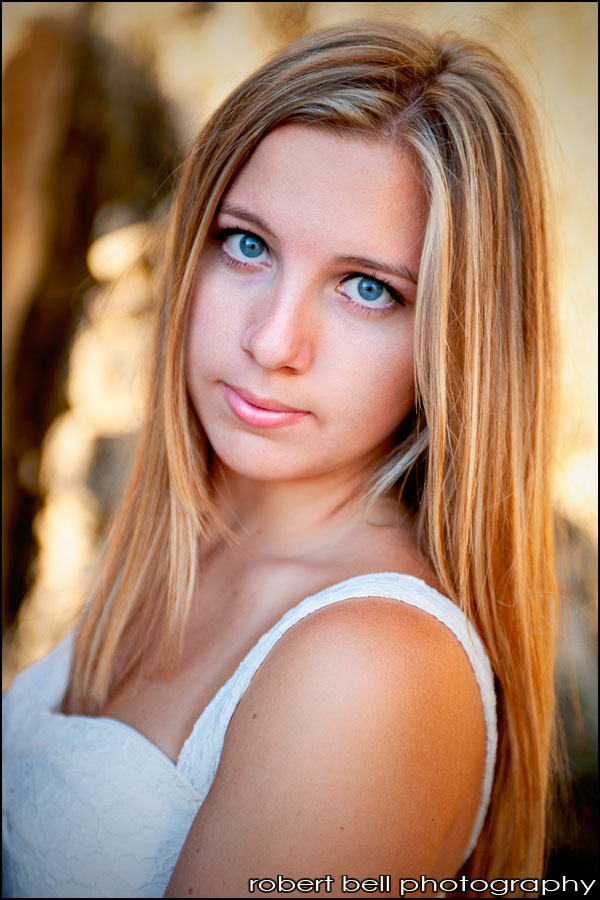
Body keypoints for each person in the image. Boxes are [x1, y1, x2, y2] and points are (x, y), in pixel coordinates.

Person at [2, 21, 561, 900]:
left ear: (456, 342)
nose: (272, 341)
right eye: (247, 244)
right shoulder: (188, 540)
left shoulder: (373, 666)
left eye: (368, 288)